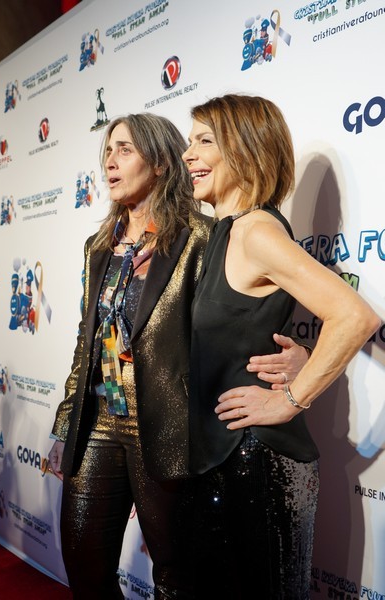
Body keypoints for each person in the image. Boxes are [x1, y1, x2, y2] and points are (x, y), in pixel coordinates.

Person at [48, 112, 309, 599]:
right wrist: (67, 426)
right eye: (108, 150)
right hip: (100, 418)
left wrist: (305, 357)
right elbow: (87, 342)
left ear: (161, 163)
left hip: (168, 424)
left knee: (178, 577)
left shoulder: (201, 237)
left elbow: (235, 323)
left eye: (125, 149)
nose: (110, 161)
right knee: (84, 567)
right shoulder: (98, 246)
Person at [181, 94, 380, 599]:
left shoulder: (257, 233)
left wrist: (290, 398)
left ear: (245, 149)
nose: (188, 154)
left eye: (204, 140)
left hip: (259, 466)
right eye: (190, 141)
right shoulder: (224, 234)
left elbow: (355, 316)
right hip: (222, 459)